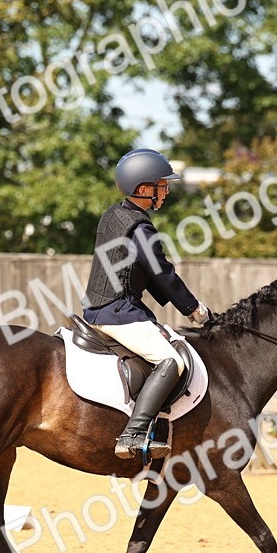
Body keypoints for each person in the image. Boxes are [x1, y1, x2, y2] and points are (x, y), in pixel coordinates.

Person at [83, 148, 211, 459]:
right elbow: (162, 272)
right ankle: (133, 433)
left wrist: (183, 306)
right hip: (117, 311)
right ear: (143, 190)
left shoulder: (114, 215)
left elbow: (146, 274)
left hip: (103, 306)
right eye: (162, 186)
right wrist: (194, 308)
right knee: (172, 361)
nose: (166, 191)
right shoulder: (140, 226)